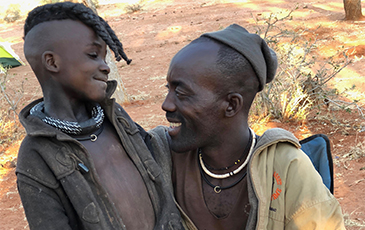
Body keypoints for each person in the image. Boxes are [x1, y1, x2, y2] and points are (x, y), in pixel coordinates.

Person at [159, 24, 346, 229]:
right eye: (169, 89)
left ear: (231, 105)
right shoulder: (161, 155)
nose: (166, 104)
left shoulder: (287, 168)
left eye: (182, 93)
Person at [16, 2, 184, 230]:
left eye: (104, 57)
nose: (105, 67)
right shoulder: (36, 154)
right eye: (93, 55)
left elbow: (157, 153)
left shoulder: (114, 118)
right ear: (52, 62)